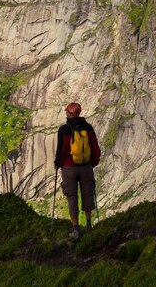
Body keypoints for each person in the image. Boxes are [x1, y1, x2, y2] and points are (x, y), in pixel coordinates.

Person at [54, 102, 101, 239]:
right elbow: (95, 147)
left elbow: (60, 150)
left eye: (67, 111)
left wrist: (57, 164)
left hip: (70, 167)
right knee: (87, 194)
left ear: (70, 113)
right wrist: (93, 162)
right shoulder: (88, 127)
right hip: (86, 166)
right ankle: (88, 225)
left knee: (72, 197)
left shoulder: (64, 129)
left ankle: (75, 229)